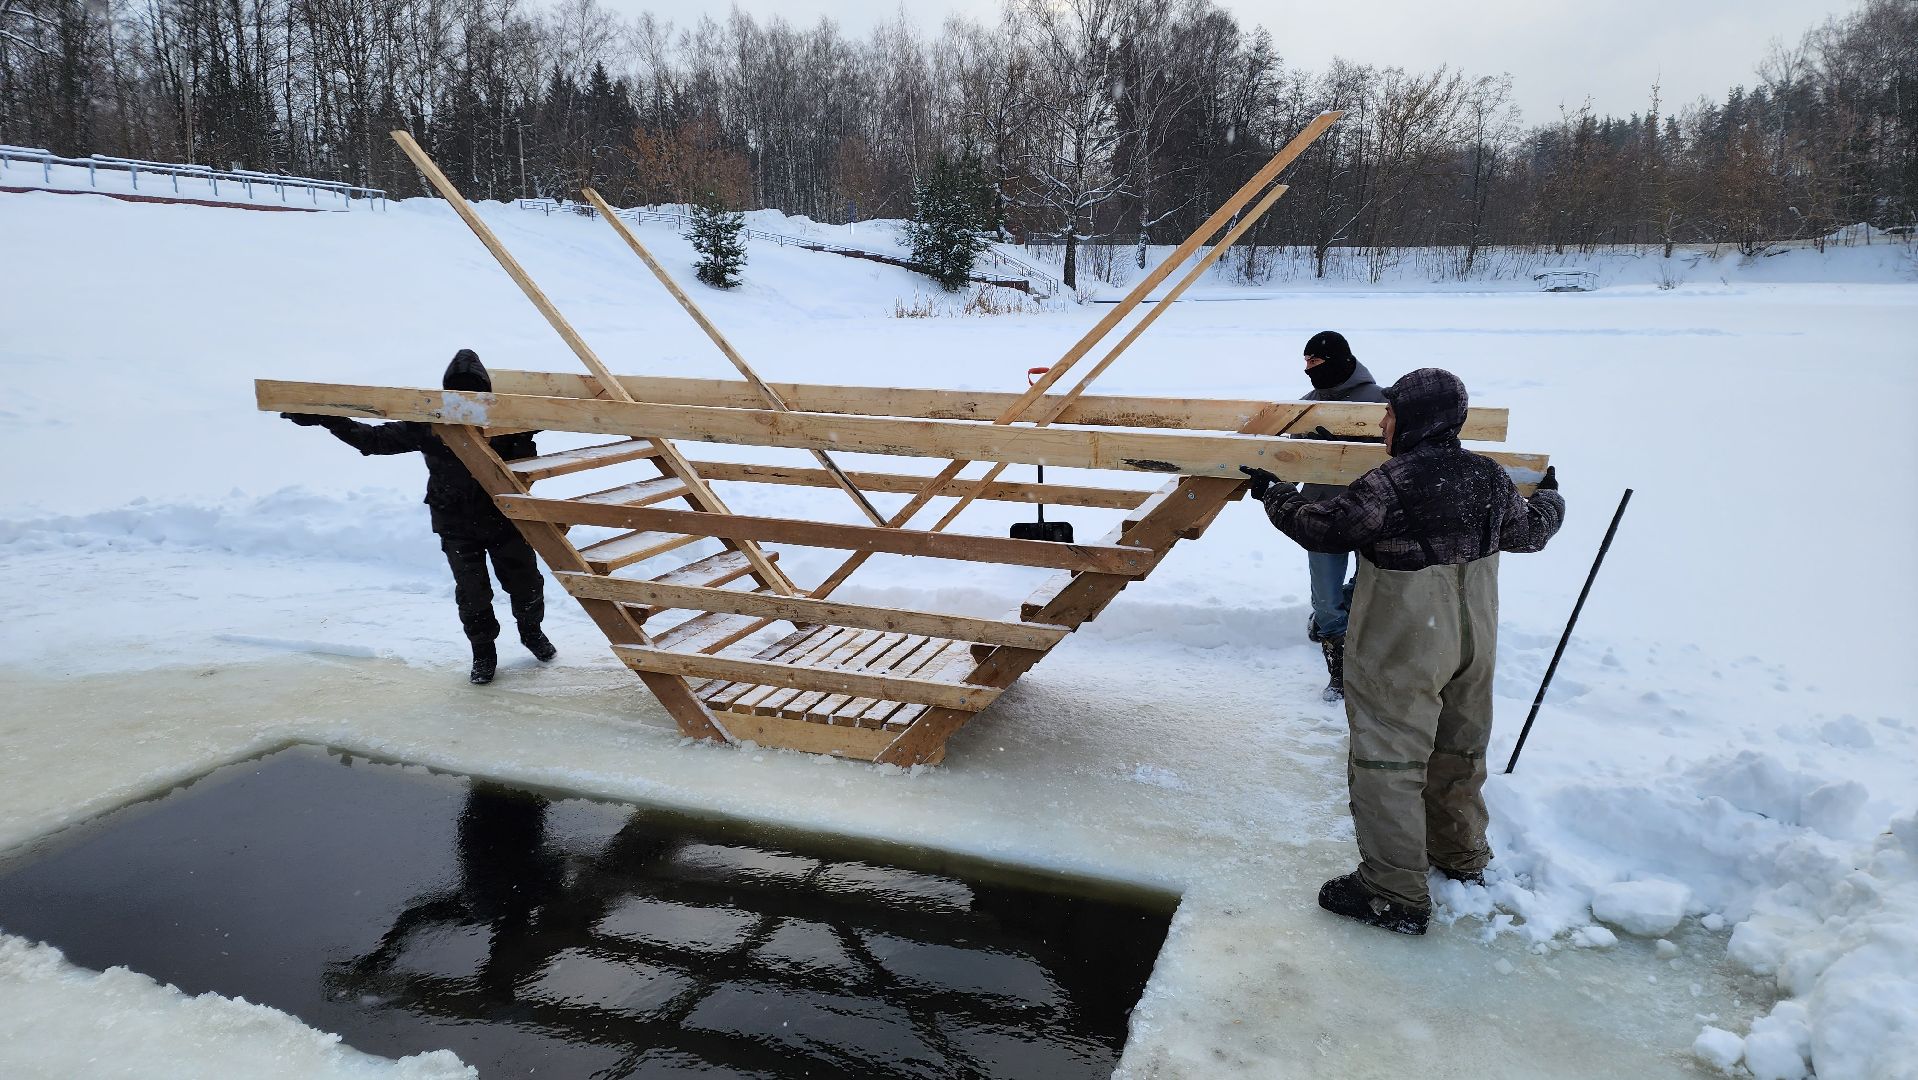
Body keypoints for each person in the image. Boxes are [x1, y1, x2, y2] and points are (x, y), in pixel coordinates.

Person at [1242, 368, 1564, 935]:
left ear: (1415, 421)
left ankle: (1393, 892)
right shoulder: (1487, 477)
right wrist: (1553, 497)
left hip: (1406, 642)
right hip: (1473, 641)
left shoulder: (1390, 483)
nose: (1383, 423)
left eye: (1390, 414)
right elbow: (1531, 532)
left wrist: (1276, 495)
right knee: (1459, 748)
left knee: (1387, 759)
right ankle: (1459, 857)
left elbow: (1325, 529)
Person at [281, 349, 555, 685]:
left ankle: (532, 632)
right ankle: (483, 652)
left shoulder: (509, 422)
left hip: (507, 519)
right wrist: (330, 419)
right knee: (473, 592)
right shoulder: (430, 422)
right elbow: (374, 441)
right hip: (455, 524)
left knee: (525, 584)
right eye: (458, 393)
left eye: (474, 393)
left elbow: (561, 412)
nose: (465, 402)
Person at [1293, 330, 1388, 703]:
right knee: (1325, 597)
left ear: (1336, 361)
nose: (1308, 370)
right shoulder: (1307, 405)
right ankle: (1339, 662)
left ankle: (1347, 625)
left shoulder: (1379, 403)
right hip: (1322, 513)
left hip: (1372, 512)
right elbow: (1279, 448)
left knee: (1369, 584)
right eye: (1306, 363)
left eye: (1314, 362)